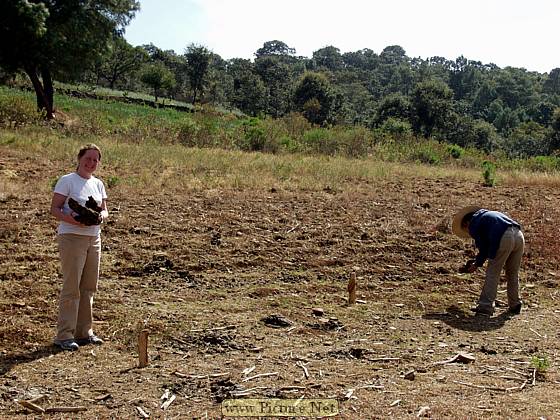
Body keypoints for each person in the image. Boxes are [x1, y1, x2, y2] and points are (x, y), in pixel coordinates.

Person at [50, 144, 109, 351]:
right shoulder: (67, 181)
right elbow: (55, 209)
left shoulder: (98, 184)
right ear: (80, 158)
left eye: (95, 160)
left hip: (93, 238)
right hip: (72, 237)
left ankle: (84, 332)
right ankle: (64, 335)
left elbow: (104, 210)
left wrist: (101, 216)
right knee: (72, 286)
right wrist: (74, 220)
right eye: (88, 158)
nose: (91, 163)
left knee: (89, 286)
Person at [452, 206, 524, 316]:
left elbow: (484, 247)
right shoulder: (488, 216)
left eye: (466, 229)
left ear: (466, 223)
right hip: (519, 235)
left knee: (493, 272)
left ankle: (485, 306)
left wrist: (477, 263)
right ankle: (515, 304)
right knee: (512, 272)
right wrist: (478, 262)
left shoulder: (475, 223)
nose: (469, 232)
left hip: (505, 237)